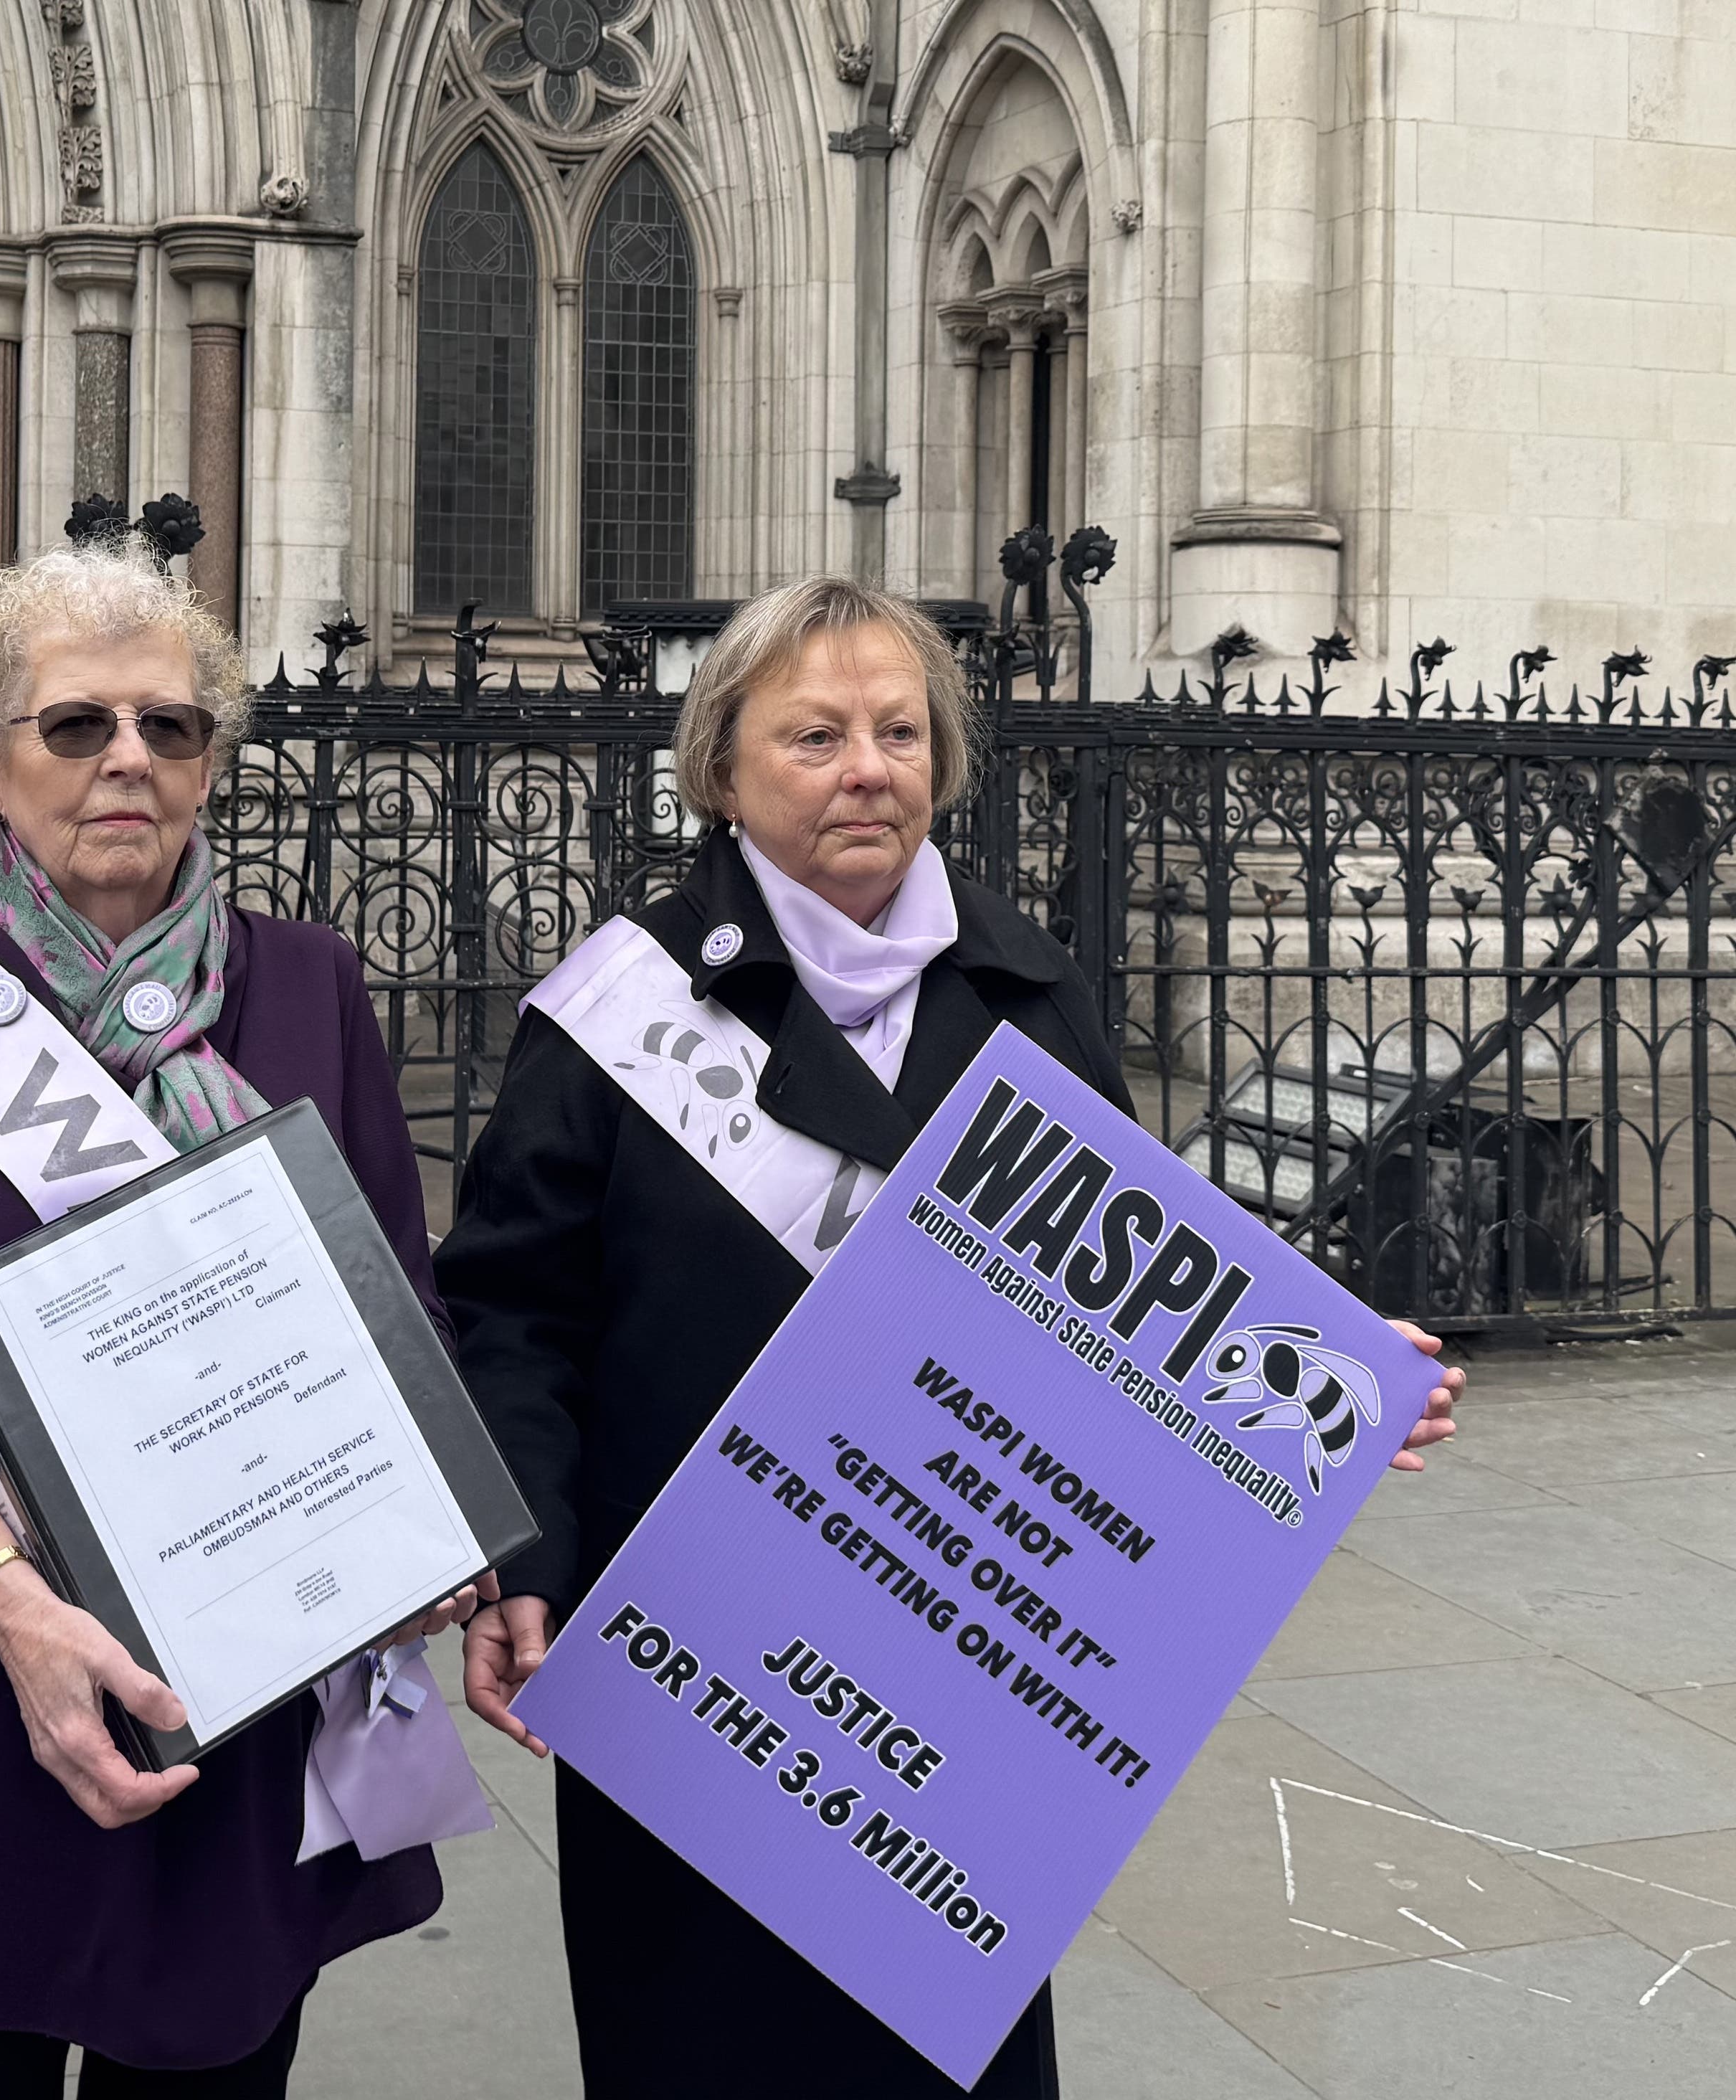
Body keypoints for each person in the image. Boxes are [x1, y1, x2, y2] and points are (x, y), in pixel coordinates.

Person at [434, 578, 1468, 2100]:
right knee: (700, 2047)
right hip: (704, 1655)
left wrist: (1316, 1373)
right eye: (818, 734)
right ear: (722, 769)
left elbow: (1130, 1294)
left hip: (956, 1671)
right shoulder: (622, 1008)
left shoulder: (1027, 992)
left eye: (901, 731)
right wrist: (526, 1557)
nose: (870, 767)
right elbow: (512, 1314)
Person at [0, 542, 484, 2095]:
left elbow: (390, 1315)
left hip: (222, 1722)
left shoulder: (309, 986)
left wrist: (415, 1534)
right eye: (76, 726)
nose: (129, 761)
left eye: (172, 727)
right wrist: (15, 1605)